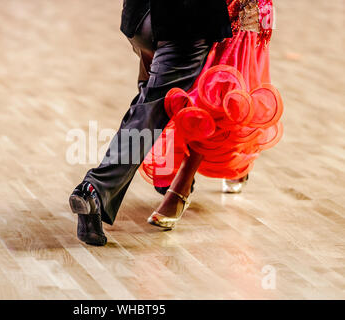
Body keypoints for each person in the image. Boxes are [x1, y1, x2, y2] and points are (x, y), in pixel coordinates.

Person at [69, 0, 232, 246]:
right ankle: (96, 189)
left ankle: (161, 176)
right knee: (153, 108)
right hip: (184, 22)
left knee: (151, 98)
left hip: (139, 17)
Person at [142, 0, 283, 229]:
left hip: (242, 9)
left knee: (221, 91)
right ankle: (239, 160)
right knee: (192, 87)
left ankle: (181, 188)